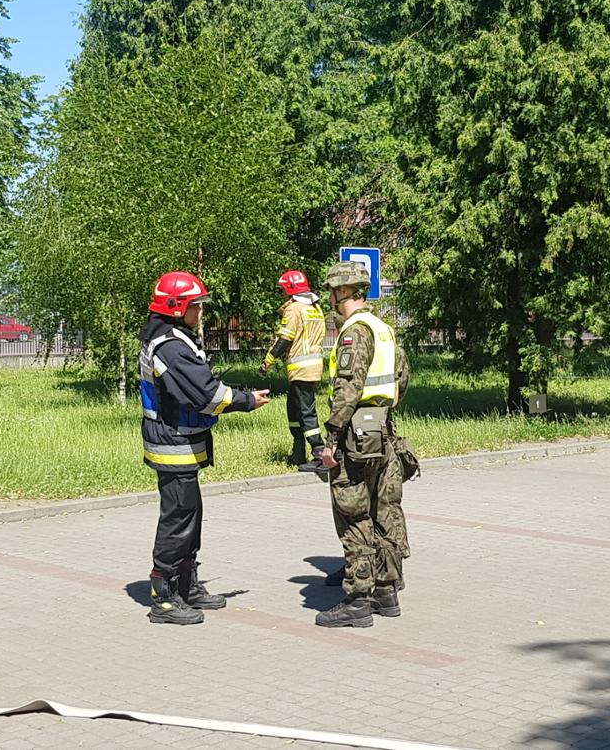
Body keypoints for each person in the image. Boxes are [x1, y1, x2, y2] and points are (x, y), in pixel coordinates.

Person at [138, 270, 271, 625]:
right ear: (178, 307)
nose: (201, 311)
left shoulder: (173, 336)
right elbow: (205, 394)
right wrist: (246, 400)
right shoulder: (170, 346)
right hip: (173, 445)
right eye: (196, 305)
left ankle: (186, 585)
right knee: (178, 519)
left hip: (181, 442)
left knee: (189, 516)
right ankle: (163, 597)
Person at [314, 260, 416, 628]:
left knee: (353, 513)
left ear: (343, 292)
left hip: (355, 437)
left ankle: (358, 599)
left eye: (332, 290)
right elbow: (401, 379)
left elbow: (347, 390)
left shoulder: (354, 332)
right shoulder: (384, 329)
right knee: (385, 511)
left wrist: (331, 442)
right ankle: (387, 591)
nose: (329, 296)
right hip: (385, 433)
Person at [258, 269, 328, 472]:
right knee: (294, 410)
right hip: (312, 366)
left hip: (301, 368)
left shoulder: (294, 309)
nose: (282, 294)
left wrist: (267, 362)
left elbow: (285, 339)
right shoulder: (315, 308)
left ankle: (319, 452)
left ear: (289, 289)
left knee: (306, 411)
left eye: (283, 290)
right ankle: (298, 454)